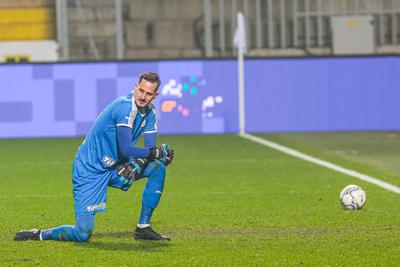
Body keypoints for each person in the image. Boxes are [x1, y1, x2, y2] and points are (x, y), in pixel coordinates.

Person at [14, 71, 174, 242]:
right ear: (135, 87)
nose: (143, 96)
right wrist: (153, 154)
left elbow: (150, 149)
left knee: (158, 167)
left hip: (115, 167)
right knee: (83, 234)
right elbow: (127, 149)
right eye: (141, 90)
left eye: (149, 93)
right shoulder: (125, 107)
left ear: (155, 95)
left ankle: (143, 228)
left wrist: (154, 156)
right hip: (90, 169)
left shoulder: (150, 113)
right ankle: (40, 234)